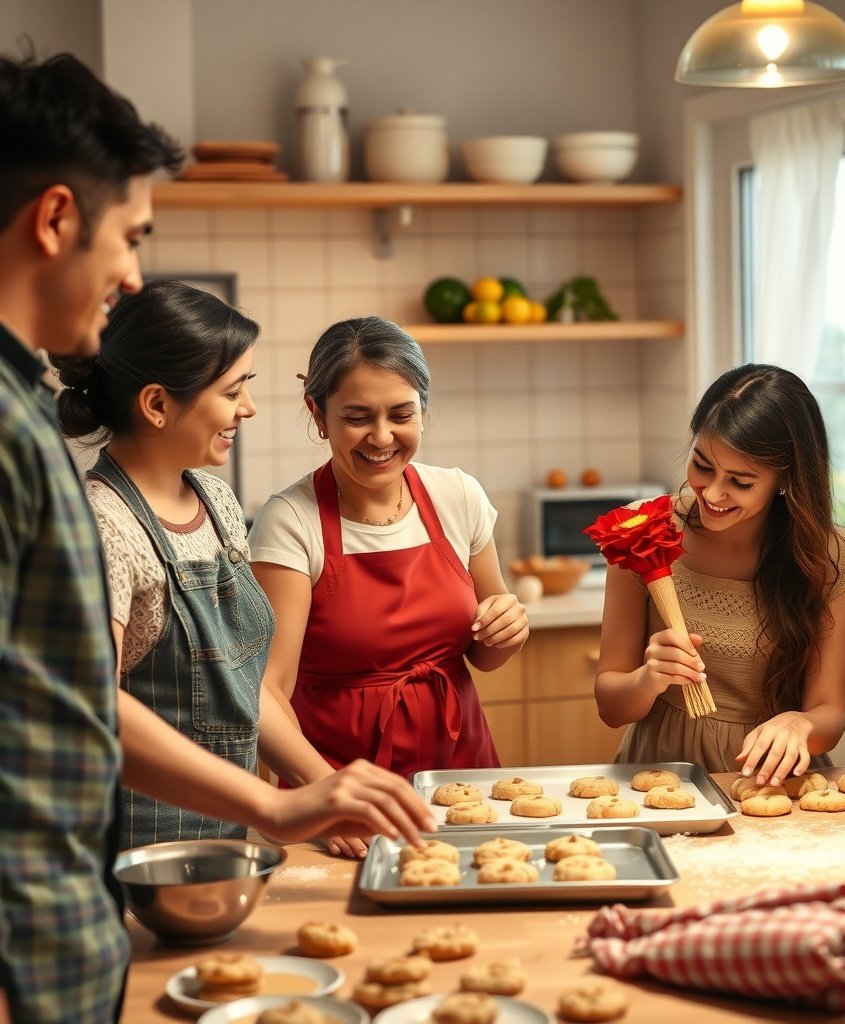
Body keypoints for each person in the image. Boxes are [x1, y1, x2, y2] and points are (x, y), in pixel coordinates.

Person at [0, 52, 432, 1024]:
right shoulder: (36, 455)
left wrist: (311, 786)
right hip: (86, 893)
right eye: (131, 237)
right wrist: (277, 804)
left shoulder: (40, 416)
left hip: (115, 903)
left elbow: (225, 690)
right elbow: (73, 700)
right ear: (57, 218)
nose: (131, 274)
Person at [54, 278, 372, 850]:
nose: (247, 408)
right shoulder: (101, 528)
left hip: (223, 842)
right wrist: (276, 805)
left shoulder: (216, 502)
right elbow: (92, 708)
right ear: (157, 405)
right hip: (137, 854)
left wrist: (324, 791)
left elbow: (239, 684)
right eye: (232, 391)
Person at [249, 316, 530, 847]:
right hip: (337, 782)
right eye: (357, 418)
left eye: (402, 415)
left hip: (458, 772)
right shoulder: (290, 520)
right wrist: (324, 796)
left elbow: (484, 653)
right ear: (318, 415)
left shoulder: (458, 496)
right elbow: (268, 691)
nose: (381, 437)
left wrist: (508, 628)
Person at [594, 363, 845, 787]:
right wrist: (648, 678)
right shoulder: (644, 532)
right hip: (661, 773)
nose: (712, 492)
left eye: (740, 482)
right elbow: (610, 708)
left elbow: (830, 714)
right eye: (702, 465)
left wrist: (800, 724)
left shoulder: (831, 559)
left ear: (785, 480)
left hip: (770, 782)